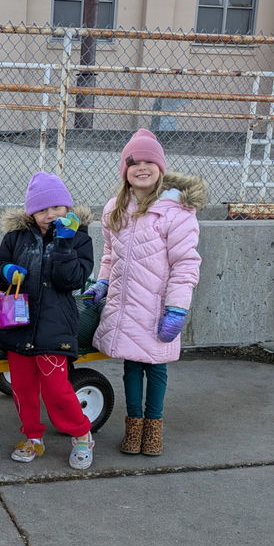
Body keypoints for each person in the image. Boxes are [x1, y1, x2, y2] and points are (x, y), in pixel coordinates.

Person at [88, 128, 207, 456]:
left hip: (157, 307)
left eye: (149, 162)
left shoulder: (176, 212)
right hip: (125, 306)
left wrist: (177, 309)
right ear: (124, 170)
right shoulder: (115, 208)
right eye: (134, 162)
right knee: (130, 366)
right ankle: (133, 426)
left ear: (161, 168)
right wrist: (102, 282)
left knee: (155, 366)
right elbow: (110, 254)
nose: (142, 167)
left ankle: (153, 428)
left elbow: (185, 264)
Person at [0, 171, 95, 469]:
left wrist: (63, 244)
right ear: (31, 212)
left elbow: (71, 279)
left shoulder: (79, 239)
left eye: (57, 208)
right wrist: (6, 271)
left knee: (56, 388)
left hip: (54, 327)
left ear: (67, 208)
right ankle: (33, 436)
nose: (50, 215)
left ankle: (82, 433)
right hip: (18, 324)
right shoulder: (16, 238)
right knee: (22, 387)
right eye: (42, 209)